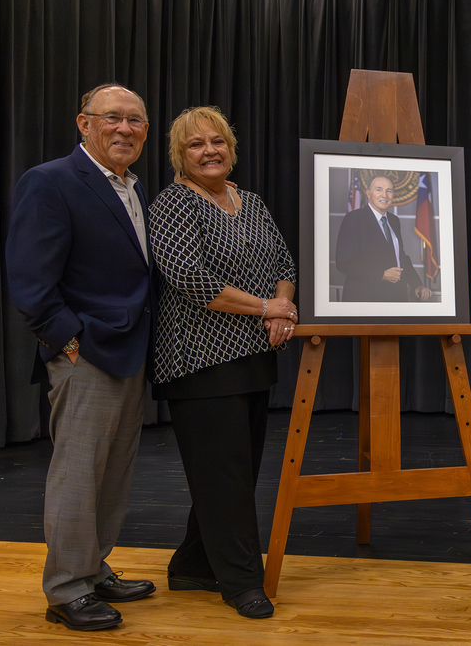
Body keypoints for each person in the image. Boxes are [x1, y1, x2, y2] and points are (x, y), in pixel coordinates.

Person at [5, 83, 157, 631]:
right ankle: (67, 589)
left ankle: (93, 569)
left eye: (135, 120)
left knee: (112, 472)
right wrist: (69, 341)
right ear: (84, 123)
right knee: (78, 475)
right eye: (112, 117)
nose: (125, 129)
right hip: (86, 353)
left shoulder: (132, 187)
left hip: (129, 351)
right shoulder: (50, 181)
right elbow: (30, 281)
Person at [148, 106, 298, 619]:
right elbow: (189, 279)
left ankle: (192, 565)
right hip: (199, 360)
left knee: (236, 473)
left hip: (254, 356)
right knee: (225, 476)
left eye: (217, 142)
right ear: (179, 156)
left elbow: (284, 264)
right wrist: (266, 308)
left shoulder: (249, 201)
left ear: (231, 149)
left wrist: (283, 308)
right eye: (196, 144)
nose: (209, 151)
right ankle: (242, 582)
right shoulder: (172, 203)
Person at [335, 174, 432, 302]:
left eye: (389, 191)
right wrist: (381, 275)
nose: (384, 195)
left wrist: (417, 285)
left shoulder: (394, 220)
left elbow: (400, 257)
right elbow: (344, 263)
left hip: (396, 298)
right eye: (379, 189)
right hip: (365, 299)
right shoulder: (354, 219)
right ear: (368, 193)